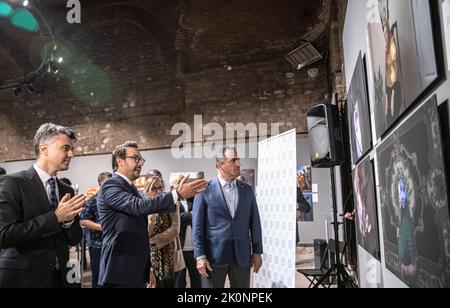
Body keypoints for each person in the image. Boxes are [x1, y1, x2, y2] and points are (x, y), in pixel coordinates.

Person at [97, 141, 207, 288]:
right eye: (135, 158)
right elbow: (139, 206)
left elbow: (144, 220)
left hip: (133, 268)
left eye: (140, 159)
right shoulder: (110, 186)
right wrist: (177, 194)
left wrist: (146, 269)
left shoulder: (131, 188)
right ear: (120, 161)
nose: (140, 163)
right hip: (118, 269)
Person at [0, 123, 85, 288]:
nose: (71, 154)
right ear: (44, 149)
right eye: (66, 148)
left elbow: (75, 238)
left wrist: (68, 222)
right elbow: (4, 235)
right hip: (24, 279)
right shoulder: (11, 183)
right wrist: (56, 217)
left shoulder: (66, 190)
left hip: (62, 278)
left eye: (72, 149)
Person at [193, 147, 263, 288]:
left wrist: (257, 251)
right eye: (233, 160)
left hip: (242, 256)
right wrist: (200, 256)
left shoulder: (247, 190)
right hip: (213, 257)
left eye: (238, 160)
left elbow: (254, 222)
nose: (238, 164)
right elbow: (198, 226)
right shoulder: (204, 191)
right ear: (219, 165)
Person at [145, 176, 180, 288]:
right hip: (150, 257)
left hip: (168, 254)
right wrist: (151, 219)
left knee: (170, 284)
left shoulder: (171, 204)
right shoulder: (143, 207)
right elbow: (144, 234)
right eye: (154, 189)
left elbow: (175, 229)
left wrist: (156, 240)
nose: (158, 191)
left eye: (160, 188)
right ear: (148, 191)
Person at [80, 171, 112, 288]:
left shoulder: (115, 200)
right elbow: (83, 220)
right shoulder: (92, 201)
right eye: (108, 183)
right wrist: (102, 227)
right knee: (99, 279)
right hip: (98, 246)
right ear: (100, 184)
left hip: (114, 244)